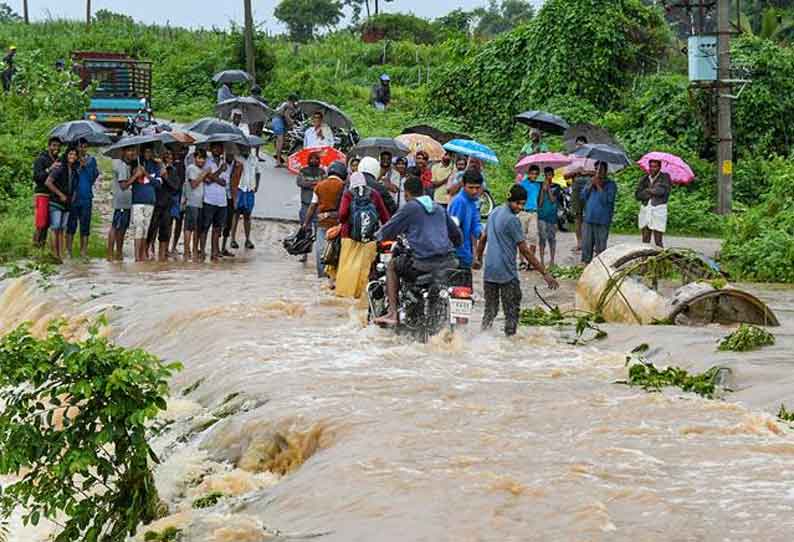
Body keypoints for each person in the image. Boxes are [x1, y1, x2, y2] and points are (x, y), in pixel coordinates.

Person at [373, 177, 462, 326]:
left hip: (424, 264)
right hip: (450, 262)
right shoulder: (439, 208)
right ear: (423, 191)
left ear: (406, 194)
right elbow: (457, 236)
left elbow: (387, 231)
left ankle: (392, 314)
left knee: (393, 266)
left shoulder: (410, 208)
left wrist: (375, 236)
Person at [474, 185, 559, 336]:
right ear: (510, 200)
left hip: (490, 272)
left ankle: (481, 339)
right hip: (507, 274)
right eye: (517, 203)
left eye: (522, 204)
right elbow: (525, 251)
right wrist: (544, 273)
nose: (520, 207)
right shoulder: (512, 220)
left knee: (490, 311)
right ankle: (510, 342)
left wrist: (479, 259)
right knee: (512, 311)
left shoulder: (494, 213)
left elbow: (482, 240)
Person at [335, 172, 391, 299]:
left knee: (348, 265)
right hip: (370, 237)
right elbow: (384, 215)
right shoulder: (374, 193)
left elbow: (342, 214)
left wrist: (346, 221)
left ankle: (346, 294)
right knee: (365, 267)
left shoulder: (348, 194)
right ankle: (363, 295)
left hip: (349, 236)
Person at [302, 161, 347, 281]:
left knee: (321, 251)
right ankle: (335, 278)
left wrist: (305, 224)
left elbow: (312, 206)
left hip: (322, 223)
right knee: (338, 251)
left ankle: (321, 278)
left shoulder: (319, 186)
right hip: (338, 225)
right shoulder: (344, 186)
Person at [447, 169, 484, 289]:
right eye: (471, 187)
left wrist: (482, 233)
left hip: (466, 255)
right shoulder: (459, 202)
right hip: (456, 257)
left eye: (477, 188)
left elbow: (475, 226)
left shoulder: (473, 202)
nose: (474, 191)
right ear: (463, 185)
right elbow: (452, 231)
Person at [44, 146, 79, 261]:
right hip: (56, 202)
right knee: (55, 227)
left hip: (67, 204)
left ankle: (61, 255)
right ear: (66, 155)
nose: (72, 156)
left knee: (62, 228)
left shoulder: (74, 170)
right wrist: (60, 194)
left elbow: (73, 186)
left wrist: (72, 197)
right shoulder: (60, 167)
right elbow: (48, 182)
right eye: (70, 154)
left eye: (74, 155)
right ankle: (54, 254)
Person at [66, 138, 100, 258]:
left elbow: (94, 176)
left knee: (85, 225)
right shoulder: (72, 160)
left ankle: (83, 251)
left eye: (85, 146)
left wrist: (85, 166)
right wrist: (79, 166)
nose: (82, 149)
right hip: (74, 197)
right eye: (81, 146)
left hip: (86, 197)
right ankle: (68, 251)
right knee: (71, 225)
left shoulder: (92, 161)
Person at [147, 149, 181, 262]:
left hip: (167, 204)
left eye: (170, 155)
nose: (168, 157)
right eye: (166, 155)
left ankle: (162, 258)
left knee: (164, 232)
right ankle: (148, 252)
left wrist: (165, 177)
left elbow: (175, 187)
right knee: (151, 230)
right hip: (154, 203)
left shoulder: (173, 170)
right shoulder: (154, 167)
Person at [581, 161, 618, 265]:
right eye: (596, 169)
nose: (598, 172)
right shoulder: (590, 181)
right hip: (589, 218)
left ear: (605, 171)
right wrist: (591, 186)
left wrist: (598, 186)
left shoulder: (611, 184)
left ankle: (600, 265)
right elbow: (583, 196)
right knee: (586, 245)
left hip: (603, 220)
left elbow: (607, 200)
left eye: (601, 170)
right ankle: (586, 264)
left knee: (601, 246)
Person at [132, 146, 162, 262]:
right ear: (142, 152)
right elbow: (131, 180)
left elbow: (158, 184)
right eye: (147, 151)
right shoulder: (135, 163)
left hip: (150, 201)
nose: (148, 153)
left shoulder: (155, 166)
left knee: (146, 228)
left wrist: (146, 174)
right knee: (138, 228)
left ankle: (143, 254)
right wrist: (137, 172)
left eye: (150, 151)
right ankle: (137, 256)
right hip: (138, 201)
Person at [108, 147, 138, 261]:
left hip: (126, 202)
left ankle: (119, 253)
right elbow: (123, 185)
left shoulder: (127, 166)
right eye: (129, 150)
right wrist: (135, 176)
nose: (132, 153)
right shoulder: (122, 166)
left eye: (133, 151)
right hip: (121, 201)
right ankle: (110, 254)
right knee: (116, 227)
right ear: (123, 152)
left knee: (123, 228)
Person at [201, 143, 230, 262]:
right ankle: (202, 251)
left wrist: (212, 176)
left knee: (217, 228)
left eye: (219, 148)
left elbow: (224, 183)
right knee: (205, 227)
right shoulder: (207, 162)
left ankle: (214, 252)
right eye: (215, 148)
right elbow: (206, 180)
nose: (217, 150)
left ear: (222, 149)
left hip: (222, 201)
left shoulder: (225, 165)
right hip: (208, 199)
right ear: (211, 149)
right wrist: (218, 172)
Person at [296, 152, 326, 261]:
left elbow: (323, 183)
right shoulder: (303, 171)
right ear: (308, 160)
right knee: (306, 229)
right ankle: (305, 253)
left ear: (319, 160)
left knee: (319, 230)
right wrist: (316, 184)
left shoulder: (322, 171)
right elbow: (300, 182)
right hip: (305, 204)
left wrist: (309, 183)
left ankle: (320, 254)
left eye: (316, 159)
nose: (314, 160)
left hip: (318, 206)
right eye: (312, 159)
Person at [32, 137, 62, 248]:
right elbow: (36, 177)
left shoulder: (58, 159)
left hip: (53, 196)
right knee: (40, 223)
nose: (56, 148)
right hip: (42, 194)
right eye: (54, 145)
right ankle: (35, 247)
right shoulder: (41, 159)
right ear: (49, 146)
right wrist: (49, 169)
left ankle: (42, 247)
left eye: (58, 146)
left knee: (47, 223)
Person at [636, 158, 672, 248]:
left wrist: (648, 190)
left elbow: (662, 191)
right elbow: (638, 195)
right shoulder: (644, 179)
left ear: (659, 167)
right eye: (651, 166)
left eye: (655, 167)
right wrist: (651, 192)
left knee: (658, 240)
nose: (652, 169)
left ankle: (660, 259)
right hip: (645, 209)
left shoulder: (665, 177)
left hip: (658, 210)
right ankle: (644, 259)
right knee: (645, 238)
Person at [564, 136, 590, 253]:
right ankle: (579, 242)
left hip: (589, 185)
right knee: (577, 214)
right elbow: (565, 175)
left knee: (588, 214)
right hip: (576, 185)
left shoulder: (591, 157)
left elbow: (599, 172)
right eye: (578, 145)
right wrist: (576, 171)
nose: (580, 147)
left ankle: (588, 242)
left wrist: (586, 172)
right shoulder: (571, 158)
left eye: (582, 145)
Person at [231, 146, 259, 251]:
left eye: (247, 148)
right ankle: (233, 239)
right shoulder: (237, 158)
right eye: (244, 148)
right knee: (236, 214)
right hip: (239, 189)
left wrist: (257, 186)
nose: (246, 150)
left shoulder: (254, 159)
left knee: (247, 215)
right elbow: (233, 175)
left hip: (249, 189)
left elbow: (258, 172)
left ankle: (247, 239)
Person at [183, 149, 209, 262]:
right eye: (199, 158)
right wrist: (204, 173)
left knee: (196, 228)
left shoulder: (199, 169)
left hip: (199, 203)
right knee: (190, 228)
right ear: (195, 158)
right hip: (192, 202)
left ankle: (192, 250)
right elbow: (194, 184)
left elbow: (206, 181)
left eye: (203, 158)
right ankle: (188, 251)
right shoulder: (191, 168)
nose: (201, 160)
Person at [517, 165, 542, 264]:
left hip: (534, 213)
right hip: (523, 212)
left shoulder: (538, 185)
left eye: (536, 174)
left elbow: (540, 197)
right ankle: (522, 260)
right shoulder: (522, 184)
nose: (534, 176)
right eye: (532, 173)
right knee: (521, 237)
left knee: (533, 237)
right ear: (528, 174)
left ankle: (531, 261)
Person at [537, 167, 561, 268]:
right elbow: (540, 203)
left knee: (552, 238)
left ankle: (552, 260)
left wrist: (548, 190)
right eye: (546, 175)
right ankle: (542, 261)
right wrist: (543, 190)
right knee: (542, 239)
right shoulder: (539, 186)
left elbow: (552, 200)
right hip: (542, 215)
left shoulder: (557, 186)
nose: (548, 177)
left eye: (550, 174)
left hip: (552, 217)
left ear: (553, 175)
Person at [221, 150, 243, 257]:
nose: (230, 155)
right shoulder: (220, 163)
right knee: (217, 223)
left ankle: (223, 247)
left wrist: (235, 199)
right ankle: (216, 248)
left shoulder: (238, 165)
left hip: (230, 196)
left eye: (232, 152)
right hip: (219, 195)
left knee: (228, 223)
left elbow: (237, 182)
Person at [168, 146, 187, 257]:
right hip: (173, 196)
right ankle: (168, 247)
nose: (180, 152)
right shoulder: (171, 165)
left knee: (178, 222)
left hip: (181, 195)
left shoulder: (183, 163)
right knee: (169, 222)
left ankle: (173, 246)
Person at [273, 94, 299, 167]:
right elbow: (286, 116)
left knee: (281, 140)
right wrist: (292, 123)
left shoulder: (284, 103)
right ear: (293, 100)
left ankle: (278, 156)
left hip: (275, 119)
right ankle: (278, 161)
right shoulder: (289, 105)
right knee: (280, 140)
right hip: (278, 120)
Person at [249, 85, 268, 160]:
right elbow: (266, 105)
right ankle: (256, 154)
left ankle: (250, 153)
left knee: (251, 135)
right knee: (258, 136)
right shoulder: (262, 99)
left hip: (251, 120)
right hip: (259, 119)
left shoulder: (249, 99)